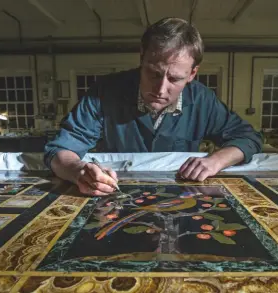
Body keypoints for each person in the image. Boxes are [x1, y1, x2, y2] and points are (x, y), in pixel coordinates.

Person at [44, 17, 262, 196]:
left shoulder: (203, 99)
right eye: (153, 73)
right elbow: (60, 149)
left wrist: (216, 160)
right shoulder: (105, 92)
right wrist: (78, 171)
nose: (160, 89)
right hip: (117, 197)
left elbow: (248, 138)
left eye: (175, 79)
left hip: (180, 202)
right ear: (141, 58)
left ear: (192, 74)